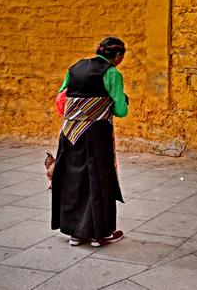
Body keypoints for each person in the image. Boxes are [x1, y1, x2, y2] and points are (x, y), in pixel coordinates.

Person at [51, 37, 128, 247]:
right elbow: (121, 110)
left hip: (70, 133)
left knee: (73, 180)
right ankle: (99, 234)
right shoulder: (112, 73)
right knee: (98, 180)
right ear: (118, 56)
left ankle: (75, 233)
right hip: (96, 133)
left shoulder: (75, 68)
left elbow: (61, 100)